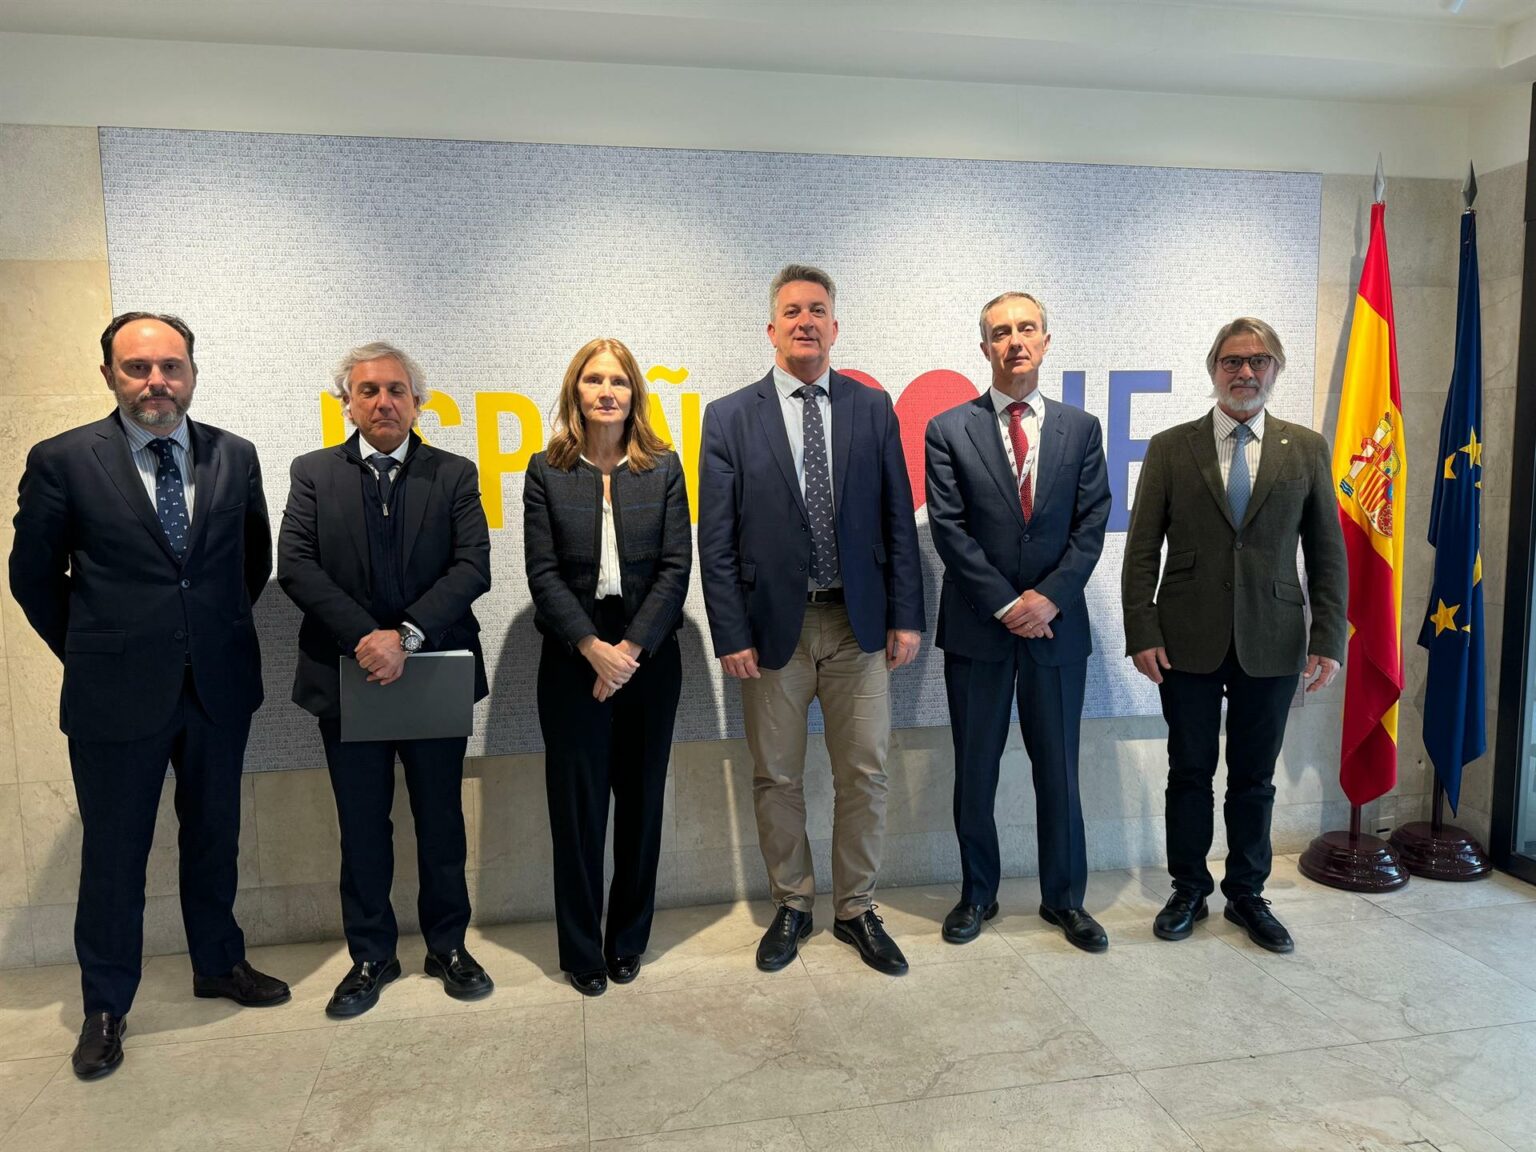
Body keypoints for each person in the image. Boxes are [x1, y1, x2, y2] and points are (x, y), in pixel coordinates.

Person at [9, 312, 288, 1080]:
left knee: (214, 837)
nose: (156, 382)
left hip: (217, 686)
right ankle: (105, 1005)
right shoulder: (64, 460)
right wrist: (96, 651)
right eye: (137, 368)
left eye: (170, 366)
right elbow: (33, 578)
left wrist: (203, 637)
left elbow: (249, 563)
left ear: (192, 372)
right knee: (114, 854)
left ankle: (219, 963)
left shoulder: (235, 455)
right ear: (109, 375)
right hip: (114, 695)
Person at [699, 264, 925, 976]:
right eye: (793, 311)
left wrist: (907, 617)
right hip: (775, 631)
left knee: (866, 773)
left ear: (835, 327)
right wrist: (730, 631)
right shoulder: (729, 416)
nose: (806, 321)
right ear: (772, 329)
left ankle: (856, 909)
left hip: (858, 626)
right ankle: (793, 904)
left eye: (818, 310)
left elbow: (897, 519)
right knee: (777, 777)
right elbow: (716, 538)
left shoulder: (871, 406)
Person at [277, 341, 494, 1014]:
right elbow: (297, 566)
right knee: (363, 827)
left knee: (441, 822)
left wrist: (404, 637)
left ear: (417, 403)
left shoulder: (454, 474)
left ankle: (448, 945)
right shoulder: (313, 473)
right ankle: (371, 955)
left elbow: (473, 567)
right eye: (368, 390)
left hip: (433, 673)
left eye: (396, 390)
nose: (383, 402)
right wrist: (368, 641)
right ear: (347, 403)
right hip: (348, 679)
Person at [1122, 317, 1346, 953]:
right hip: (1185, 637)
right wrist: (1142, 629)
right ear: (1213, 369)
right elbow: (1142, 549)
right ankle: (1188, 889)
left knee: (1254, 777)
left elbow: (1327, 552)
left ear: (1275, 369)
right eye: (1232, 361)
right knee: (1189, 771)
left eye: (1258, 361)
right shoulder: (1171, 447)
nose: (1244, 372)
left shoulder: (1306, 448)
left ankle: (1247, 893)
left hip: (1272, 638)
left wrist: (1328, 636)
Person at [925, 292, 1112, 951]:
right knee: (975, 771)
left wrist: (1048, 599)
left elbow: (1092, 524)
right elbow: (949, 529)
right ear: (985, 348)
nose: (1015, 341)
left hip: (1057, 631)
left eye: (1026, 328)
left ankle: (1066, 899)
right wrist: (1008, 605)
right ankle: (978, 893)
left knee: (1058, 770)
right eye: (1001, 332)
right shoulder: (948, 430)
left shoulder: (1081, 429)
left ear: (1045, 340)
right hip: (979, 629)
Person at [523, 337, 692, 997]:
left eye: (618, 381)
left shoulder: (663, 468)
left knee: (641, 805)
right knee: (577, 811)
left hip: (649, 652)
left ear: (634, 394)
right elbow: (542, 573)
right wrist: (593, 647)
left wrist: (629, 651)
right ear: (576, 390)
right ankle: (581, 950)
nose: (606, 391)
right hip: (574, 655)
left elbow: (676, 568)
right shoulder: (546, 470)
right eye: (594, 379)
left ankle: (627, 941)